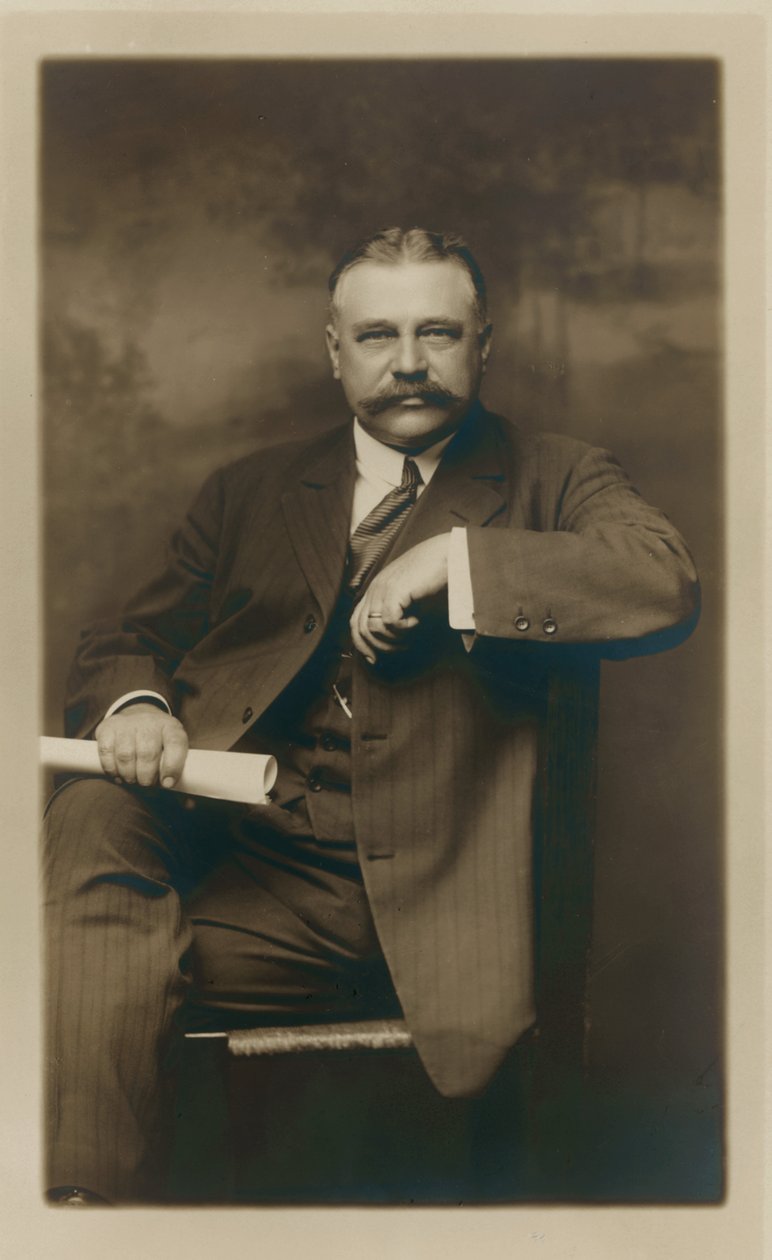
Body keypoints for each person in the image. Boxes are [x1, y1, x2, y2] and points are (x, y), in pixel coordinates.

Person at [44, 226, 700, 1205]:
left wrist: (455, 560)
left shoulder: (558, 475)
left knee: (66, 969)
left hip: (413, 897)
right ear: (334, 350)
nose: (408, 363)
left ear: (485, 344)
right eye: (377, 335)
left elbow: (663, 580)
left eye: (438, 333)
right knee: (88, 827)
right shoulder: (252, 490)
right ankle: (78, 1216)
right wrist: (137, 705)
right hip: (242, 869)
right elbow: (125, 637)